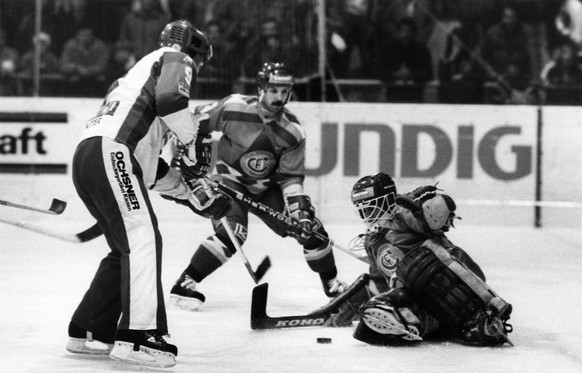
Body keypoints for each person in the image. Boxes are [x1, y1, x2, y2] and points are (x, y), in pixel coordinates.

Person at [65, 20, 220, 368]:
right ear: (195, 50)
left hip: (90, 154)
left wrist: (191, 194)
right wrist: (192, 144)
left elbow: (147, 172)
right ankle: (138, 337)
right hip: (112, 152)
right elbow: (172, 100)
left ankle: (91, 328)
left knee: (125, 249)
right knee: (142, 238)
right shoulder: (176, 57)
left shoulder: (133, 78)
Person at [166, 62, 348, 311]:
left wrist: (299, 212)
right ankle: (185, 283)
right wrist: (187, 161)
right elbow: (191, 125)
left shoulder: (292, 131)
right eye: (273, 90)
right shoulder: (233, 107)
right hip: (230, 183)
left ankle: (333, 285)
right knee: (233, 233)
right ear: (261, 88)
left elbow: (290, 177)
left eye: (284, 91)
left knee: (312, 230)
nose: (279, 97)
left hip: (267, 190)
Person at [328, 173, 513, 347]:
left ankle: (483, 317)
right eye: (362, 209)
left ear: (386, 201)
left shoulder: (404, 214)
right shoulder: (372, 240)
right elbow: (381, 281)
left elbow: (435, 223)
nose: (365, 214)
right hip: (423, 300)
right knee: (387, 306)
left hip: (451, 284)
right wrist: (358, 302)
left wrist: (417, 206)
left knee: (419, 263)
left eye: (369, 207)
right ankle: (423, 323)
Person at [60, 27, 110, 97]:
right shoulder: (70, 46)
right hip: (75, 77)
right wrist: (77, 68)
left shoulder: (100, 47)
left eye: (87, 36)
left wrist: (88, 71)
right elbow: (64, 66)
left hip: (95, 78)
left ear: (92, 37)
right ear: (77, 36)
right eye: (82, 36)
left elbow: (103, 66)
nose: (85, 39)